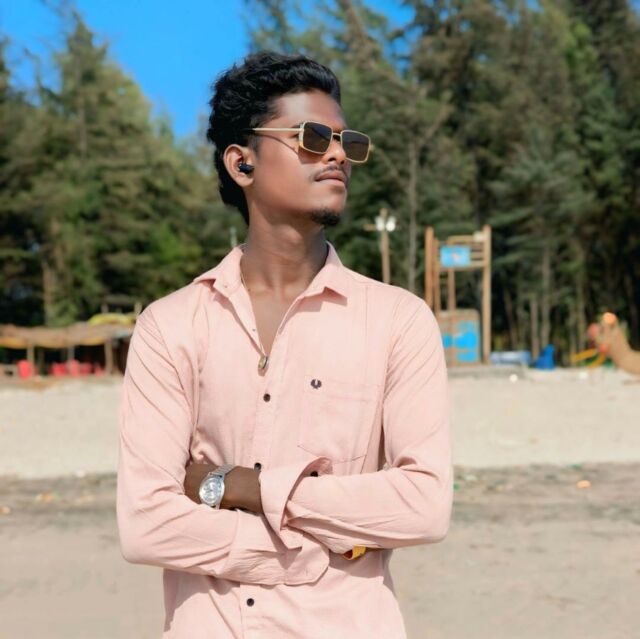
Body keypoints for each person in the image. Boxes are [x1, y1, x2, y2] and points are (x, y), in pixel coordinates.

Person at [117, 50, 452, 639]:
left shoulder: (398, 321)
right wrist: (304, 550)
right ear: (242, 163)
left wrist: (242, 489)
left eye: (347, 141)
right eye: (312, 137)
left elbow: (423, 506)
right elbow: (146, 524)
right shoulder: (170, 326)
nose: (337, 154)